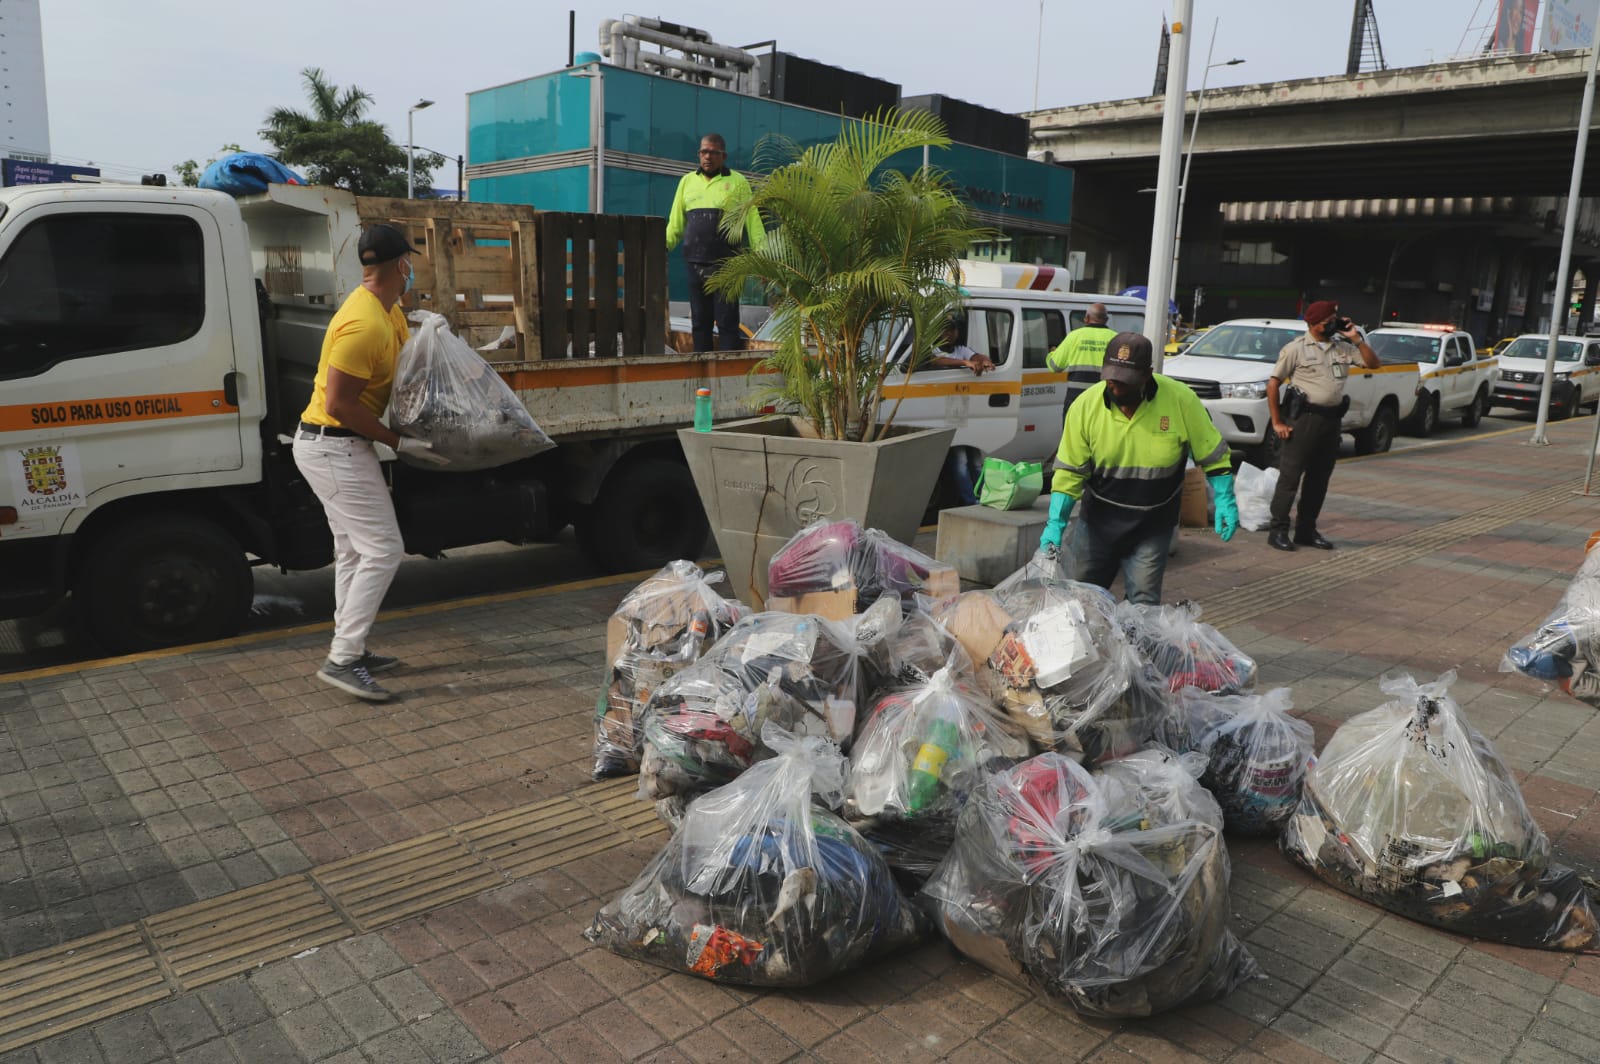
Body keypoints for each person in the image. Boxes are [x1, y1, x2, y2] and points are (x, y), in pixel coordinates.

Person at [293, 223, 449, 702]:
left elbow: (407, 360)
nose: (411, 270)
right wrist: (397, 443)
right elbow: (340, 404)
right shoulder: (362, 322)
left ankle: (352, 648)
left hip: (340, 446)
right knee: (383, 549)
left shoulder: (389, 311)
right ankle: (342, 658)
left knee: (354, 552)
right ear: (399, 264)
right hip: (332, 446)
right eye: (410, 262)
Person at [1039, 331, 1238, 604]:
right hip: (1098, 524)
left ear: (1148, 374)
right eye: (1111, 377)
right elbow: (1070, 472)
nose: (1116, 386)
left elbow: (1213, 455)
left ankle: (1134, 647)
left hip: (1152, 526)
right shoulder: (1085, 407)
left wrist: (1225, 498)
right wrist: (1055, 524)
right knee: (1081, 601)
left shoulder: (1181, 400)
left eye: (1126, 380)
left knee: (1143, 605)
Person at [1264, 299, 1380, 552]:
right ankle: (1278, 531)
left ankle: (1306, 530)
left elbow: (1373, 364)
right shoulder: (1295, 349)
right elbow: (1273, 384)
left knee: (1319, 479)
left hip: (1331, 421)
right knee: (1290, 478)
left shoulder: (1343, 348)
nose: (1335, 324)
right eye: (1330, 321)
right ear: (1315, 324)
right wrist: (1277, 422)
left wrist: (1357, 338)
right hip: (1303, 421)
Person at [665, 133, 766, 353]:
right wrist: (661, 248)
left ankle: (726, 375)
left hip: (727, 266)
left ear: (724, 155)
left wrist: (762, 257)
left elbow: (752, 220)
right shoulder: (687, 182)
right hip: (695, 264)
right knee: (699, 322)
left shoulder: (737, 182)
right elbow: (675, 224)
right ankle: (703, 375)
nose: (707, 156)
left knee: (727, 322)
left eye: (712, 152)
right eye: (703, 151)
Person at [1045, 303, 1116, 420]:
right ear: (1106, 319)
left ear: (1086, 318)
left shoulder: (1074, 337)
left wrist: (1052, 352)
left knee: (1072, 436)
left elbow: (1054, 366)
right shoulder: (1115, 339)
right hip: (1103, 399)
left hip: (1076, 399)